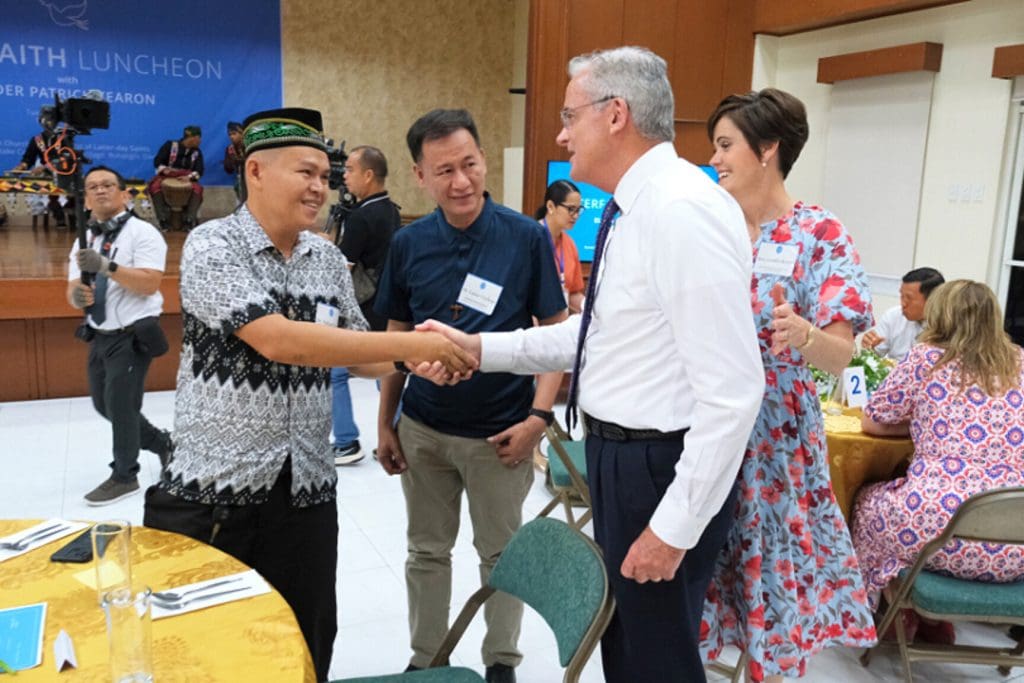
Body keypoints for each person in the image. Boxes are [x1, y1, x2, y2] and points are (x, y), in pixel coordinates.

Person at [417, 48, 764, 683]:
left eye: (568, 116)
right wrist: (479, 348)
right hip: (620, 458)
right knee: (626, 648)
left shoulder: (680, 210)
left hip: (658, 467)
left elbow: (734, 393)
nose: (561, 134)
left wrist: (673, 528)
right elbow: (598, 334)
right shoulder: (639, 206)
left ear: (615, 115)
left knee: (656, 660)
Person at [140, 107, 475, 682]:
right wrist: (410, 348)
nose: (321, 187)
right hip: (215, 495)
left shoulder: (326, 259)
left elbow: (359, 353)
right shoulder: (212, 245)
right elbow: (279, 340)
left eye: (326, 175)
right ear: (256, 172)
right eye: (306, 172)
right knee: (205, 658)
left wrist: (415, 362)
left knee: (305, 646)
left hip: (306, 496)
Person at [374, 108, 567, 683]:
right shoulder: (408, 243)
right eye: (444, 170)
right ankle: (427, 658)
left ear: (483, 160)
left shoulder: (526, 237)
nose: (461, 181)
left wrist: (538, 419)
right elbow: (395, 339)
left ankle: (501, 660)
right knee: (426, 551)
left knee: (501, 555)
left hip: (500, 433)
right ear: (420, 176)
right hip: (424, 430)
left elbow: (555, 334)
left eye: (469, 164)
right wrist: (386, 422)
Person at [700, 88, 878, 682]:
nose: (715, 158)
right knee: (699, 569)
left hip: (775, 436)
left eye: (725, 145)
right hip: (705, 420)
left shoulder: (819, 232)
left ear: (767, 149)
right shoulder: (710, 223)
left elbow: (840, 354)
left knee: (770, 571)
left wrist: (803, 334)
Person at [853, 280, 1024, 639]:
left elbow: (873, 420)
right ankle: (931, 620)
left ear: (941, 315)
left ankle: (897, 608)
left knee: (866, 503)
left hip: (936, 535)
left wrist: (920, 425)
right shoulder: (1020, 363)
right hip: (1015, 544)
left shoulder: (926, 358)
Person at [66, 165, 173, 505]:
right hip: (100, 334)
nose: (100, 190)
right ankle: (164, 443)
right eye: (93, 186)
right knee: (105, 405)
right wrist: (77, 296)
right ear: (86, 199)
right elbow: (72, 287)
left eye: (108, 185)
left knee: (122, 407)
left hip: (132, 334)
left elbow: (149, 283)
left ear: (125, 194)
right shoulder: (85, 238)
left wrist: (105, 267)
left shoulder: (143, 233)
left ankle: (125, 475)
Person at [330, 145, 402, 465]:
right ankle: (399, 436)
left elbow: (342, 269)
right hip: (387, 307)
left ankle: (346, 443)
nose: (344, 176)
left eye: (350, 170)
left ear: (368, 175)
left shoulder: (360, 217)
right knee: (386, 373)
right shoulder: (391, 210)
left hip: (360, 310)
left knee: (335, 372)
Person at [862, 267, 945, 361]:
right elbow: (873, 356)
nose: (903, 304)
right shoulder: (893, 316)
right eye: (902, 296)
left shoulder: (949, 326)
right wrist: (869, 348)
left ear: (932, 300)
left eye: (909, 298)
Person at [534, 179, 585, 314]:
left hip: (560, 323)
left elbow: (572, 293)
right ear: (550, 206)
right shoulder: (529, 239)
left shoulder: (570, 244)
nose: (576, 216)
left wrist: (590, 311)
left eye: (578, 210)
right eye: (571, 209)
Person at [148, 125, 204, 231]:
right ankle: (163, 220)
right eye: (199, 138)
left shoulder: (197, 152)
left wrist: (189, 177)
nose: (200, 141)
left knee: (198, 189)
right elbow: (157, 161)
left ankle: (189, 220)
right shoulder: (170, 145)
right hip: (167, 176)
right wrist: (164, 169)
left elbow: (200, 170)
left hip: (186, 178)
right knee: (155, 188)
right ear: (192, 138)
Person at [11, 126, 67, 227]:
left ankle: (60, 212)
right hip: (46, 175)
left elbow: (65, 157)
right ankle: (56, 210)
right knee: (40, 185)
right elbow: (28, 158)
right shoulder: (38, 139)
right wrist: (21, 167)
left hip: (64, 172)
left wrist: (44, 167)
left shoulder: (63, 138)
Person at [223, 121, 245, 200]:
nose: (231, 137)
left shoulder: (249, 146)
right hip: (240, 179)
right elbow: (229, 170)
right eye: (230, 135)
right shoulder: (230, 149)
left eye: (234, 134)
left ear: (242, 134)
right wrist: (229, 163)